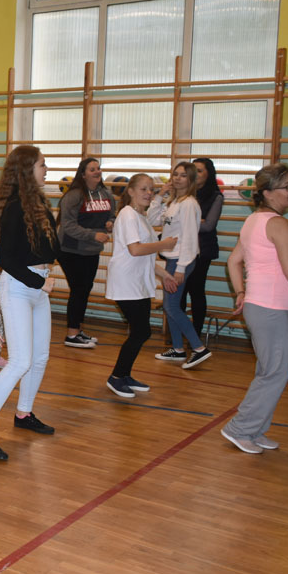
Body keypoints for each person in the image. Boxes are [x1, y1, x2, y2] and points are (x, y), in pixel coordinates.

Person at [222, 165, 288, 454]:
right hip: (270, 309)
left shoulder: (253, 220)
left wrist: (241, 292)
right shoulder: (278, 224)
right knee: (275, 374)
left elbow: (233, 261)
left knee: (269, 370)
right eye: (287, 187)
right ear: (267, 193)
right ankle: (240, 429)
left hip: (264, 307)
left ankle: (254, 430)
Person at [0, 145, 59, 461]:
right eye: (42, 165)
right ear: (26, 170)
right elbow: (6, 258)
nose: (46, 169)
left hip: (37, 287)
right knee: (20, 360)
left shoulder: (39, 204)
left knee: (40, 357)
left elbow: (50, 249)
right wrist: (39, 281)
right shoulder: (13, 207)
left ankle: (24, 413)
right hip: (19, 287)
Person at [103, 174, 178, 398]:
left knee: (141, 331)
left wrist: (164, 275)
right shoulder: (127, 214)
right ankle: (116, 377)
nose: (148, 193)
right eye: (143, 189)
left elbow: (145, 256)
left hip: (139, 282)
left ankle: (124, 374)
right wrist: (164, 244)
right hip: (126, 282)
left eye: (151, 189)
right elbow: (135, 250)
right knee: (141, 331)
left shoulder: (141, 216)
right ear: (131, 191)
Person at [149, 162, 212, 369]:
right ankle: (177, 349)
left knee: (171, 306)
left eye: (183, 175)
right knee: (171, 306)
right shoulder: (174, 202)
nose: (177, 178)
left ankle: (199, 348)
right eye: (175, 174)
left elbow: (189, 238)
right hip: (172, 258)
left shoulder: (189, 204)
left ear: (191, 180)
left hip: (180, 260)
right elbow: (152, 219)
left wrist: (181, 268)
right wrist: (160, 195)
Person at [57, 158, 115, 348]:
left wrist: (111, 222)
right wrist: (93, 235)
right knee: (79, 290)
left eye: (98, 168)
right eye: (92, 169)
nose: (97, 171)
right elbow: (68, 225)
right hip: (70, 250)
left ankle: (78, 331)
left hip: (91, 250)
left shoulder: (106, 194)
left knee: (84, 290)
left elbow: (113, 214)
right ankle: (72, 335)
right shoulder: (74, 196)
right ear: (83, 174)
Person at [181, 157, 224, 339]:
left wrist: (184, 221)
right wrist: (195, 221)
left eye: (200, 171)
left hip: (202, 250)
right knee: (179, 292)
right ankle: (180, 332)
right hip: (182, 248)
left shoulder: (216, 196)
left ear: (209, 174)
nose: (196, 174)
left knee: (196, 290)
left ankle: (195, 334)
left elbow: (208, 226)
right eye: (194, 170)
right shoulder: (184, 193)